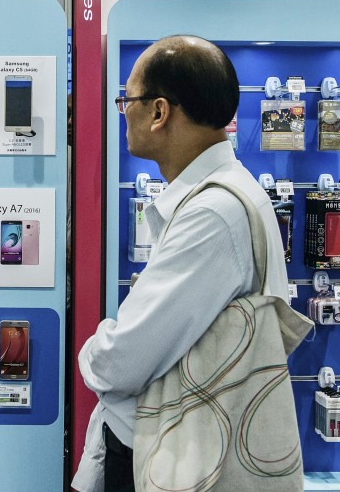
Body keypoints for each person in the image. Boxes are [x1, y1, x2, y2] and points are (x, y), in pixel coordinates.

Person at [72, 35, 295, 492]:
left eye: (126, 100)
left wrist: (91, 352)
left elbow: (122, 361)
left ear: (159, 112)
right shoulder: (227, 193)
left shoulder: (212, 213)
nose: (123, 112)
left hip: (165, 456)